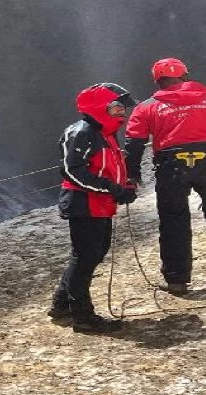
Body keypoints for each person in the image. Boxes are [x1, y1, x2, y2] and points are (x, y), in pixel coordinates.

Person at [125, 58, 206, 295]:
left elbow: (134, 142)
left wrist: (132, 174)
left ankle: (177, 279)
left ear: (158, 80)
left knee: (174, 219)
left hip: (171, 165)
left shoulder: (147, 106)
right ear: (184, 75)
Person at [47, 83, 137, 333]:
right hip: (83, 203)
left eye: (122, 108)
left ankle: (62, 305)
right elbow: (73, 171)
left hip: (99, 202)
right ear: (100, 107)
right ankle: (83, 318)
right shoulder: (82, 132)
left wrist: (123, 185)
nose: (122, 112)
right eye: (117, 107)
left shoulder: (104, 133)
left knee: (94, 254)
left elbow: (106, 167)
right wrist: (113, 189)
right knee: (85, 257)